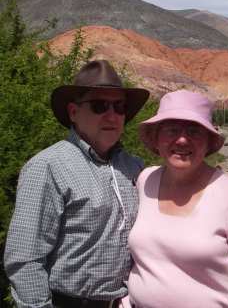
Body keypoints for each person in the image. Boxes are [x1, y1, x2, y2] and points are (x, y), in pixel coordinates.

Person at [4, 60, 149, 308]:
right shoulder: (48, 166)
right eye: (99, 105)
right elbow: (25, 259)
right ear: (73, 112)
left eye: (120, 107)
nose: (112, 115)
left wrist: (211, 182)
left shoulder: (134, 167)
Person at [121, 90, 228, 308]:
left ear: (208, 141)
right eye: (172, 129)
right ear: (156, 137)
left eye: (194, 131)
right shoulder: (145, 180)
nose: (182, 139)